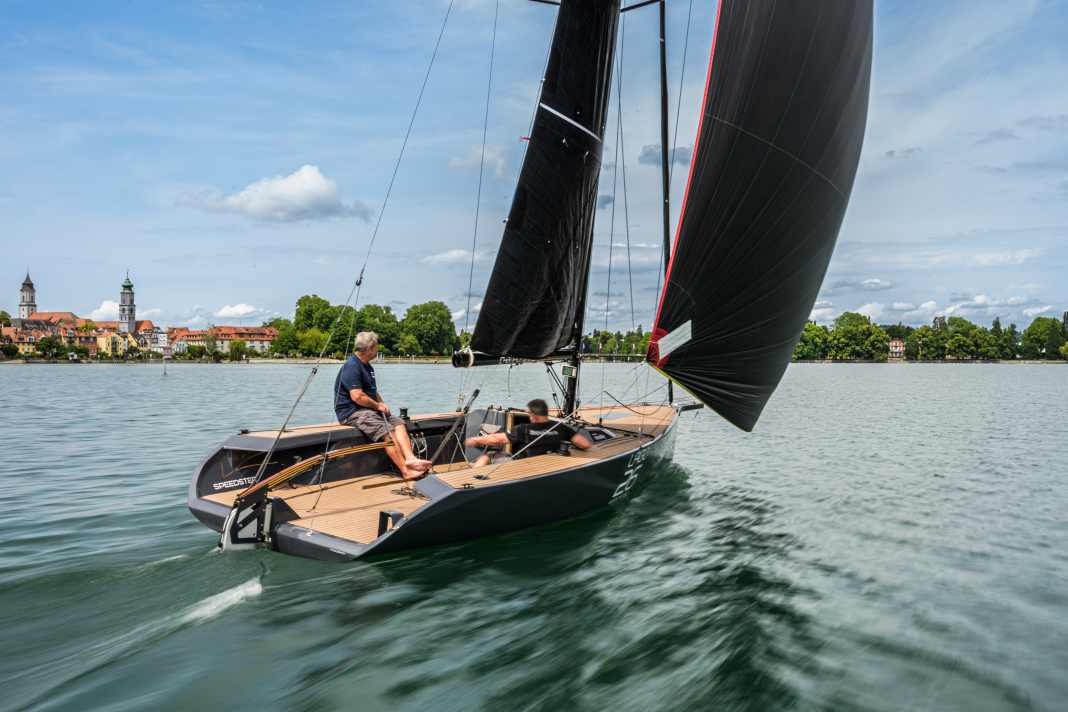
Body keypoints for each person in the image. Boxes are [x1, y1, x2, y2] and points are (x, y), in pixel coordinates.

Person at [334, 331, 431, 480]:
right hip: (352, 412)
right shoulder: (352, 366)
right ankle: (405, 471)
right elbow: (357, 396)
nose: (378, 349)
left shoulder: (367, 366)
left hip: (367, 409)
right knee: (386, 430)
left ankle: (411, 459)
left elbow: (372, 391)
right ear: (370, 348)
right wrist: (377, 406)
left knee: (397, 423)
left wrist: (381, 404)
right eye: (377, 346)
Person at [464, 398, 592, 467]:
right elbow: (585, 444)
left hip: (522, 466)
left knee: (488, 455)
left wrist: (476, 440)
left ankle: (472, 480)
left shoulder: (523, 429)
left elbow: (498, 439)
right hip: (549, 466)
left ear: (533, 415)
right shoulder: (561, 427)